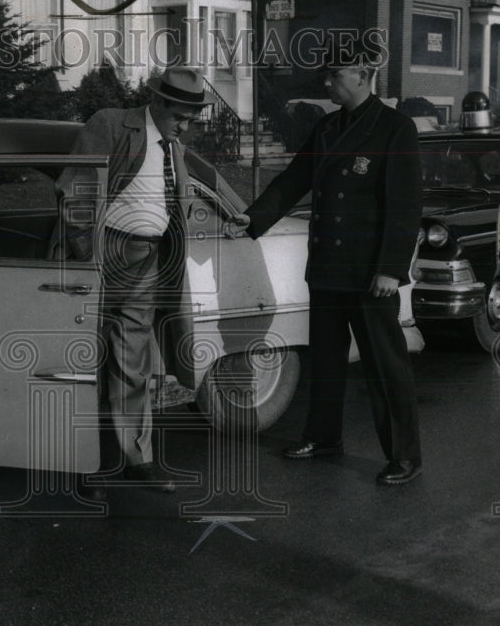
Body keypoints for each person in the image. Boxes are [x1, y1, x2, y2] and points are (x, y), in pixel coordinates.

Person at [225, 43, 424, 485]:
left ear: (364, 73)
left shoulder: (394, 128)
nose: (327, 81)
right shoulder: (329, 127)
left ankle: (405, 455)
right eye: (327, 74)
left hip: (371, 274)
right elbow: (295, 178)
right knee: (327, 361)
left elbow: (404, 206)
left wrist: (391, 268)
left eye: (335, 73)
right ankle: (324, 436)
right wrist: (253, 217)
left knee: (385, 366)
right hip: (329, 269)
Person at [52, 66, 214, 493]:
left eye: (191, 120)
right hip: (104, 254)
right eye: (180, 116)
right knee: (82, 359)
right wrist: (91, 257)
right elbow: (76, 193)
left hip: (147, 259)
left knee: (131, 363)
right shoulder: (110, 123)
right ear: (157, 103)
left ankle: (135, 460)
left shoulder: (172, 145)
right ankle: (83, 462)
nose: (185, 126)